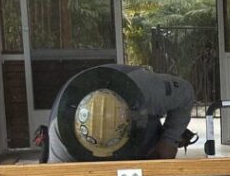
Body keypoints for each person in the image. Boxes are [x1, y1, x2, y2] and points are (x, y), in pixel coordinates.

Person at [45, 63, 196, 163]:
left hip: (146, 142)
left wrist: (169, 140)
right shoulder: (60, 134)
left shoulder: (146, 88)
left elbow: (185, 93)